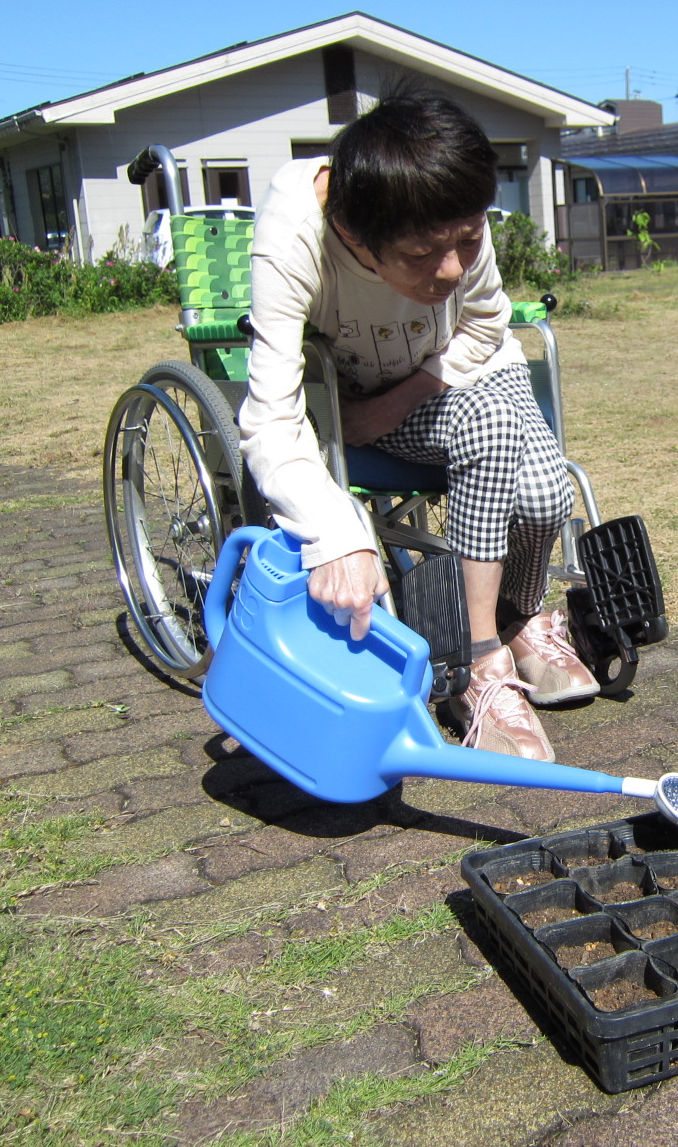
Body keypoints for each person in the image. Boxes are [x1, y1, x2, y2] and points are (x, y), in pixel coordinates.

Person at [238, 86, 597, 763]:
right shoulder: (296, 235)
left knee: (545, 497)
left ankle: (517, 616)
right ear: (352, 233)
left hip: (460, 371)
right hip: (359, 404)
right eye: (423, 254)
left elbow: (488, 319)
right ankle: (477, 660)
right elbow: (269, 417)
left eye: (468, 239)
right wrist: (336, 532)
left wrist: (400, 399)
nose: (454, 267)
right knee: (493, 428)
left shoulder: (442, 202)